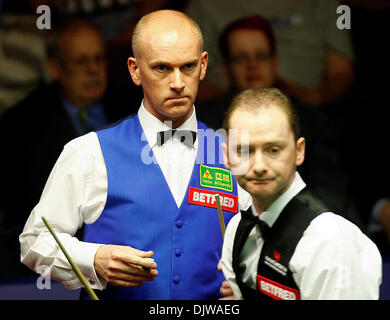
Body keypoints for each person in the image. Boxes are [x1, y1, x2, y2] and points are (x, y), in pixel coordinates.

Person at [19, 10, 251, 300]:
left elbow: (271, 244)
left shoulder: (236, 152)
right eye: (162, 68)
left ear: (203, 65)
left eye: (188, 66)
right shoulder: (89, 152)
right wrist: (94, 259)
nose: (178, 82)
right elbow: (34, 242)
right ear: (135, 70)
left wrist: (247, 285)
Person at [0, 19, 140, 280]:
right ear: (55, 67)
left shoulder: (134, 108)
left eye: (99, 59)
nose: (93, 70)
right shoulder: (21, 122)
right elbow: (18, 209)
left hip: (127, 252)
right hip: (42, 267)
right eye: (81, 61)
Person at [220, 87, 382, 300]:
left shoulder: (331, 242)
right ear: (228, 158)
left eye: (273, 150)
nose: (259, 166)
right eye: (244, 151)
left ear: (299, 151)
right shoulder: (236, 229)